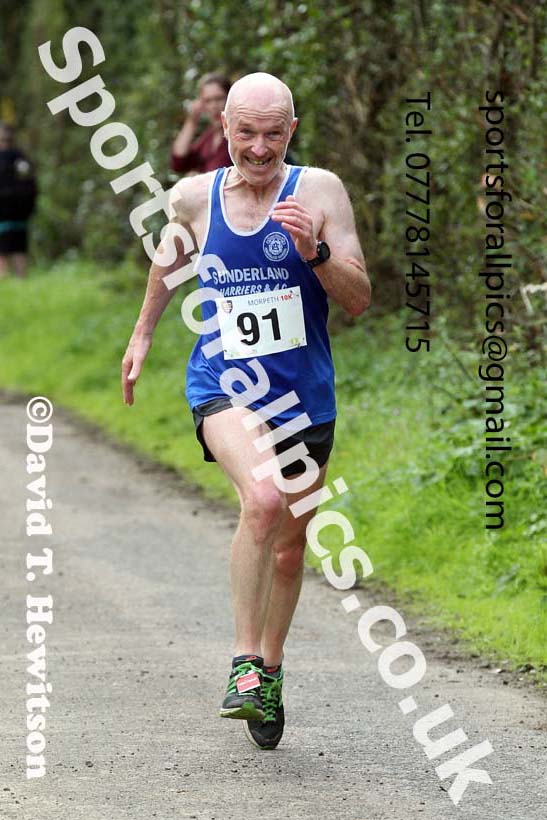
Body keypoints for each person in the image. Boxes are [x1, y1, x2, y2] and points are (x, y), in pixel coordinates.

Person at [122, 72, 371, 750]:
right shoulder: (193, 196)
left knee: (290, 551)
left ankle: (270, 668)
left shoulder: (318, 192)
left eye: (271, 134)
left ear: (290, 130)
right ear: (222, 131)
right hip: (223, 384)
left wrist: (313, 254)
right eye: (244, 134)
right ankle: (242, 665)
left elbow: (356, 299)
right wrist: (143, 334)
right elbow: (168, 260)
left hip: (302, 396)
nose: (257, 149)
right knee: (261, 499)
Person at [170, 72, 232, 175]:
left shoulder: (238, 133)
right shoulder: (209, 137)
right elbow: (178, 162)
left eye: (219, 98)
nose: (214, 106)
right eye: (207, 101)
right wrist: (192, 121)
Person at [0, 123, 37, 279]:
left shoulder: (19, 159)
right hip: (12, 212)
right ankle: (10, 279)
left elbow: (29, 184)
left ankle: (17, 278)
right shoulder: (20, 158)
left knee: (16, 248)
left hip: (16, 212)